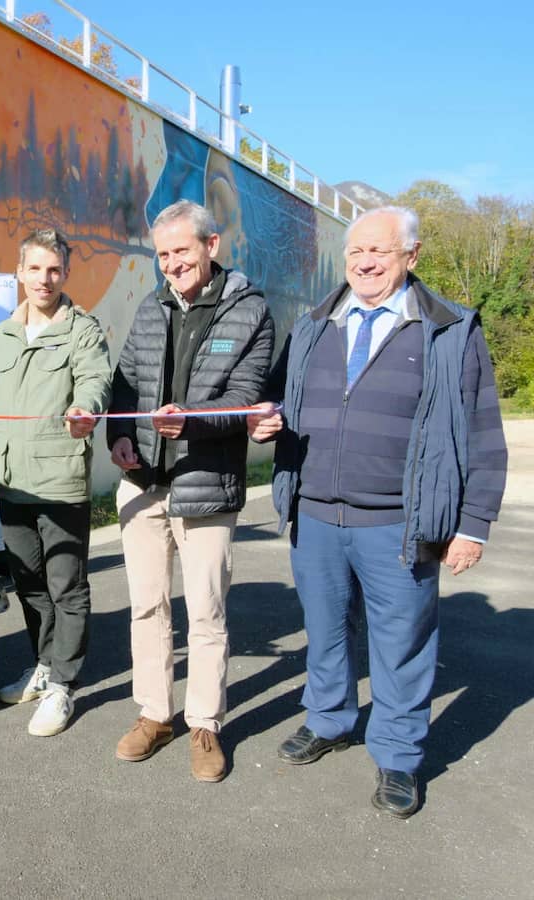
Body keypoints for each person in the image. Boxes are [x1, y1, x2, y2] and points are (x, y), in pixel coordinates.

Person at [247, 205, 508, 817]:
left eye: (379, 252)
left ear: (410, 257)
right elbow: (278, 402)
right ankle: (331, 719)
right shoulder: (316, 323)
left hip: (400, 521)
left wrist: (473, 525)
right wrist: (266, 423)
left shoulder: (450, 329)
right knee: (326, 632)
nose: (364, 263)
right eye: (356, 252)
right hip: (315, 515)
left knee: (403, 645)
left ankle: (398, 757)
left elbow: (483, 436)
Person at [107, 199, 274, 783]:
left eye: (181, 250)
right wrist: (119, 437)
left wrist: (193, 419)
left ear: (212, 245)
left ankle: (205, 723)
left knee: (206, 612)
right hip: (142, 484)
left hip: (204, 484)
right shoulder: (150, 308)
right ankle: (155, 713)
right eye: (163, 254)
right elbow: (123, 383)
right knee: (147, 607)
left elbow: (247, 399)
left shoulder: (250, 311)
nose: (171, 263)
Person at [0, 228, 111, 737]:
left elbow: (96, 381)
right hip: (11, 479)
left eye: (53, 269)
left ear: (65, 274)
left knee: (66, 585)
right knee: (30, 583)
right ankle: (43, 664)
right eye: (34, 268)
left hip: (59, 478)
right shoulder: (1, 335)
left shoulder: (83, 331)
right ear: (19, 272)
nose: (44, 279)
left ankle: (63, 686)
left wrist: (86, 410)